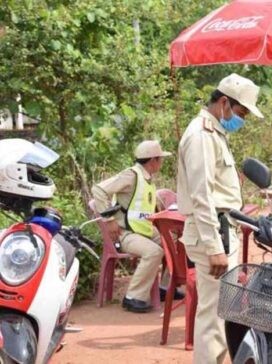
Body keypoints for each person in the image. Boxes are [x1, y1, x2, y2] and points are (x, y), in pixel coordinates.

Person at [177, 73, 263, 364]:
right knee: (214, 317)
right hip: (213, 233)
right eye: (241, 113)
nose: (242, 120)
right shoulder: (201, 135)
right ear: (224, 102)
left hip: (222, 229)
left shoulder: (214, 133)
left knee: (221, 313)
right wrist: (214, 246)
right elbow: (202, 196)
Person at [92, 140, 172, 313]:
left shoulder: (147, 179)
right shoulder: (131, 176)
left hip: (144, 230)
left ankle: (165, 288)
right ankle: (133, 297)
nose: (161, 162)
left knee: (176, 242)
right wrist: (109, 219)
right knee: (154, 252)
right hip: (126, 233)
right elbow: (98, 190)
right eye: (160, 159)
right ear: (153, 161)